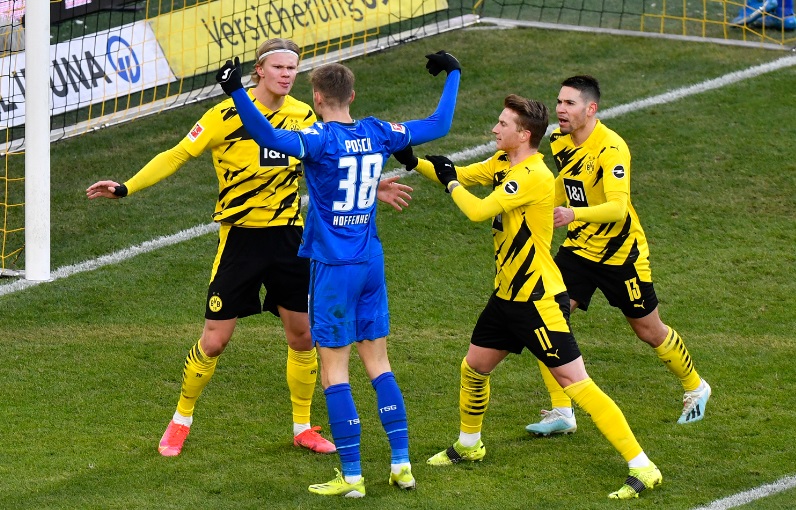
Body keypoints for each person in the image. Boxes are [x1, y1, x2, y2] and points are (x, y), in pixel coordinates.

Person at [86, 38, 413, 458]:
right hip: (240, 240)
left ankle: (303, 427)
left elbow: (329, 162)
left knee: (303, 336)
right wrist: (126, 187)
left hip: (290, 239)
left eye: (292, 68)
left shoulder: (303, 115)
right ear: (259, 70)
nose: (286, 75)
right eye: (278, 67)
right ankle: (181, 419)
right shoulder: (223, 115)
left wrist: (370, 186)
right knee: (214, 340)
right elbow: (177, 154)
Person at [215, 49, 461, 497]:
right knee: (380, 365)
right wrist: (454, 74)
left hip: (333, 270)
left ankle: (351, 476)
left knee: (334, 373)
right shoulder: (378, 131)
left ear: (316, 97)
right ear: (352, 95)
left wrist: (235, 90)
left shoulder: (318, 139)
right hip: (370, 263)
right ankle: (401, 465)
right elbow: (439, 124)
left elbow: (265, 135)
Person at [393, 94, 662, 500]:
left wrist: (449, 182)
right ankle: (469, 444)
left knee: (576, 383)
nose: (494, 129)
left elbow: (477, 210)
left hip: (537, 300)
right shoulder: (503, 162)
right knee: (474, 366)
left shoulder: (533, 175)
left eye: (502, 124)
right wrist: (414, 162)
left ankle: (643, 466)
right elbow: (461, 174)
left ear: (523, 135)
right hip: (506, 296)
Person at [524, 75, 711, 438]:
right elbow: (568, 180)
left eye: (570, 103)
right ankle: (562, 411)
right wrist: (541, 201)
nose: (561, 109)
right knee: (546, 318)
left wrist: (572, 214)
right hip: (579, 250)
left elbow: (618, 208)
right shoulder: (560, 140)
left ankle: (696, 386)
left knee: (649, 331)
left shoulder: (612, 149)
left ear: (590, 109)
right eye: (559, 102)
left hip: (620, 255)